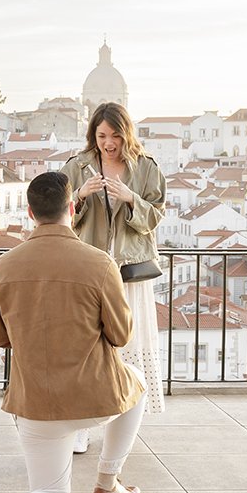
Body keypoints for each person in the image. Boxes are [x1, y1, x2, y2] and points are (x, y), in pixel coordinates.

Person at [0, 170, 147, 493]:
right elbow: (121, 334)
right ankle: (108, 484)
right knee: (138, 387)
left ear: (29, 212)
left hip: (35, 404)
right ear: (71, 208)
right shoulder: (99, 263)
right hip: (95, 400)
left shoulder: (4, 266)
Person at [60, 102, 167, 455]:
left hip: (131, 272)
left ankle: (122, 421)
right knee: (87, 348)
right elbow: (60, 213)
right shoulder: (76, 166)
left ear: (126, 134)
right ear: (93, 134)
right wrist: (80, 195)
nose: (109, 143)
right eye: (102, 135)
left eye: (115, 136)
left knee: (126, 347)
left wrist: (130, 198)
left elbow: (155, 216)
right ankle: (81, 427)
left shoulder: (146, 168)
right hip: (88, 270)